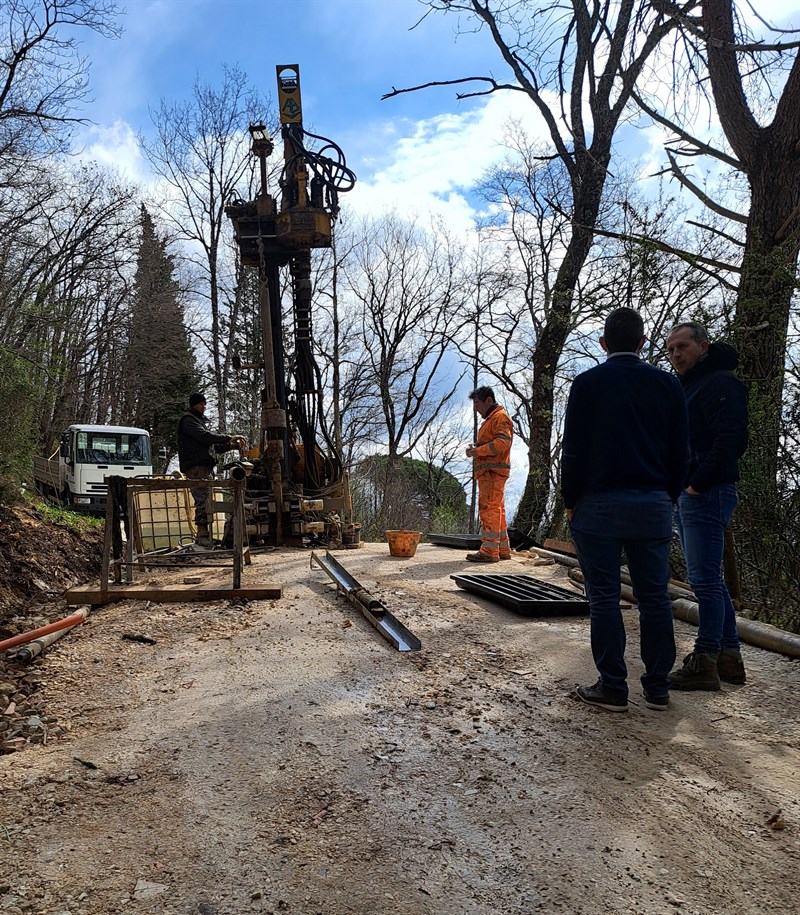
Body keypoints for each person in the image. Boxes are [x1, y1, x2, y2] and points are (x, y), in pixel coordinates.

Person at [562, 308, 688, 712]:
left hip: (598, 505)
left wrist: (570, 501)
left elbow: (574, 450)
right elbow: (680, 451)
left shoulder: (587, 384)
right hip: (652, 504)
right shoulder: (668, 385)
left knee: (603, 598)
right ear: (642, 343)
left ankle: (613, 687)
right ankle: (657, 688)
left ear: (603, 344)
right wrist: (667, 496)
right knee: (654, 599)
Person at [666, 323, 748, 690]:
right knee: (709, 580)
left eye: (682, 346)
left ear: (703, 346)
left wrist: (697, 483)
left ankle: (705, 659)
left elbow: (731, 439)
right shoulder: (688, 387)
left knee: (704, 582)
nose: (676, 354)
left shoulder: (720, 382)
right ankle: (729, 657)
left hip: (708, 492)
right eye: (670, 350)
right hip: (692, 493)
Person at [177, 392, 245, 546]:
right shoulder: (189, 421)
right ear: (194, 404)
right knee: (202, 500)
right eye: (201, 403)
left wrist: (231, 446)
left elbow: (212, 445)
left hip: (203, 467)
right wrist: (229, 437)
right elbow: (205, 437)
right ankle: (202, 536)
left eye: (205, 403)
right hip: (196, 467)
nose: (204, 406)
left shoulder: (197, 422)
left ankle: (205, 534)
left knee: (206, 501)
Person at [465, 386, 513, 563]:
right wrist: (477, 449)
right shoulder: (493, 419)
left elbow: (502, 442)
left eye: (477, 403)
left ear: (489, 401)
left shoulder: (499, 417)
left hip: (492, 472)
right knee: (497, 509)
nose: (476, 408)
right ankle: (502, 549)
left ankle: (489, 551)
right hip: (491, 472)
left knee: (489, 509)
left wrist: (478, 451)